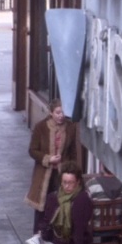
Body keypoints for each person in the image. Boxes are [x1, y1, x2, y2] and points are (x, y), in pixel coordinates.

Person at [26, 99, 81, 233]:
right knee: (41, 208)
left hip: (62, 175)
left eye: (63, 112)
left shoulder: (70, 127)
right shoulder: (41, 127)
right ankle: (37, 243)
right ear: (51, 113)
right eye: (57, 112)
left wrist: (74, 172)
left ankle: (57, 238)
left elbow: (73, 152)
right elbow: (32, 150)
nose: (61, 115)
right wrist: (48, 158)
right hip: (43, 174)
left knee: (62, 206)